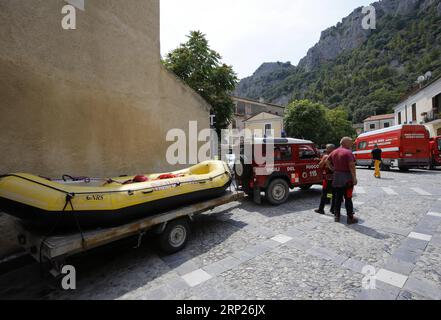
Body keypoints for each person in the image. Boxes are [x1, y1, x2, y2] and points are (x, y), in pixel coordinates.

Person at [327, 137, 359, 224]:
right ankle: (350, 217)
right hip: (347, 178)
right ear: (345, 143)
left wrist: (333, 169)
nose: (351, 144)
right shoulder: (348, 152)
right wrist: (354, 178)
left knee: (338, 197)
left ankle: (337, 216)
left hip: (337, 178)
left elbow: (327, 161)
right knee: (348, 198)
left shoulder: (334, 151)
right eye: (350, 142)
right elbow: (352, 166)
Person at [315, 144, 336, 215]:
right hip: (335, 178)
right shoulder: (337, 156)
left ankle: (321, 209)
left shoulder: (326, 156)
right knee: (333, 193)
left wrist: (321, 161)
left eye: (326, 148)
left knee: (324, 193)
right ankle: (332, 209)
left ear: (328, 149)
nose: (326, 150)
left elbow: (320, 166)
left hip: (327, 178)